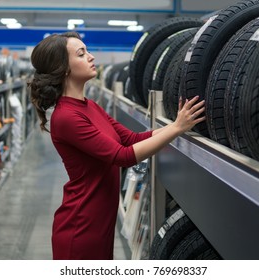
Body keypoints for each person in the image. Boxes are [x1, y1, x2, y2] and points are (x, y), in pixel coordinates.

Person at [28, 31, 205, 260]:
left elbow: (131, 139)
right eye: (81, 54)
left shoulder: (89, 106)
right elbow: (123, 156)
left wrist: (179, 123)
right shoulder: (67, 117)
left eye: (87, 51)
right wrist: (177, 128)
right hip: (81, 226)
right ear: (64, 68)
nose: (91, 57)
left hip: (100, 221)